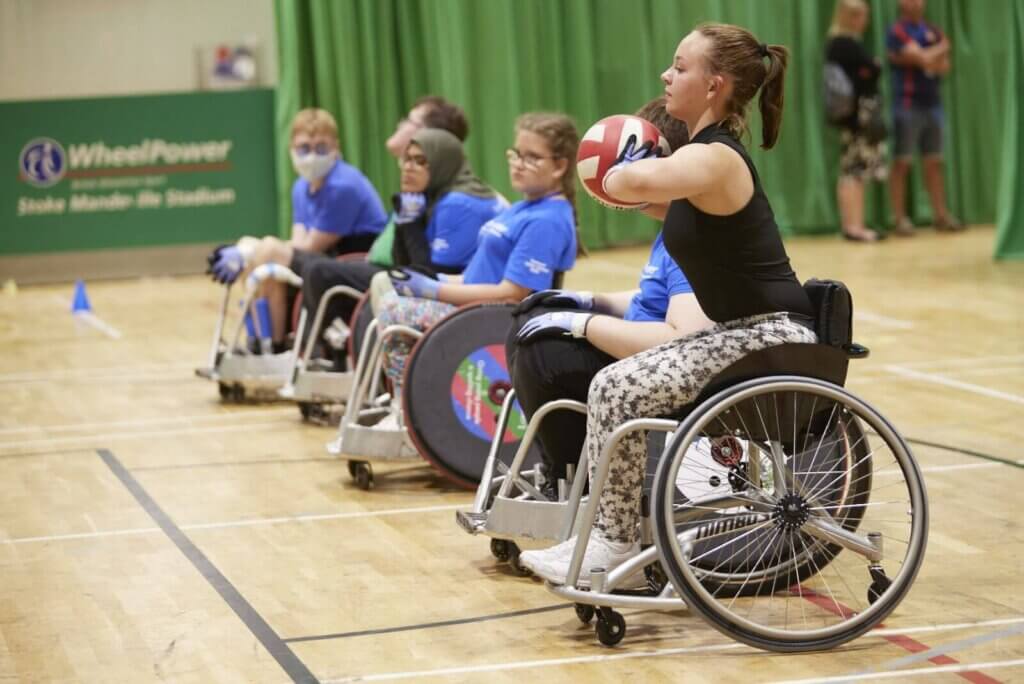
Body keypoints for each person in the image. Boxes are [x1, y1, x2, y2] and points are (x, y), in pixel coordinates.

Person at [519, 24, 818, 586]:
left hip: (770, 336)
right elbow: (640, 196)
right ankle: (612, 535)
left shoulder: (717, 159)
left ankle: (613, 542)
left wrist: (620, 161)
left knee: (616, 385)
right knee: (616, 383)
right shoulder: (699, 166)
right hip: (743, 334)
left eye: (680, 67)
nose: (666, 75)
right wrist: (619, 177)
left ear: (715, 86)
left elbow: (633, 182)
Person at [505, 96, 710, 494]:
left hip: (663, 369)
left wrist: (586, 325)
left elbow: (681, 337)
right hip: (642, 349)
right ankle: (559, 467)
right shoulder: (673, 228)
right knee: (533, 316)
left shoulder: (691, 237)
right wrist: (588, 300)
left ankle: (577, 485)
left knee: (544, 354)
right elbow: (655, 298)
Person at [368, 112, 582, 428]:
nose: (518, 164)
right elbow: (479, 275)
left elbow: (513, 293)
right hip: (475, 308)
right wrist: (432, 279)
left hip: (496, 320)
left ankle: (406, 413)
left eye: (532, 157)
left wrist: (434, 290)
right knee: (386, 283)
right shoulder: (526, 207)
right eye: (517, 154)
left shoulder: (547, 220)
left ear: (560, 166)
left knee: (394, 311)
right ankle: (413, 403)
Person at [299, 128, 505, 365]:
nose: (409, 167)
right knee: (326, 272)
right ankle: (335, 354)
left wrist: (410, 224)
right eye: (407, 160)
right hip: (444, 284)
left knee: (338, 279)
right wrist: (405, 218)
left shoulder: (458, 202)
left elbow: (429, 272)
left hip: (470, 298)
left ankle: (346, 365)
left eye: (421, 161)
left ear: (441, 164)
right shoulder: (432, 196)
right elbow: (403, 261)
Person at [207, 108, 387, 347]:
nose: (312, 156)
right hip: (324, 258)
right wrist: (248, 250)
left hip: (352, 263)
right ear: (292, 148)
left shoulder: (344, 186)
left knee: (267, 250)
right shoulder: (301, 187)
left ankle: (276, 344)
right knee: (257, 254)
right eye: (304, 148)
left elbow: (311, 247)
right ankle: (262, 341)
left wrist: (254, 249)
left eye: (321, 148)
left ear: (336, 148)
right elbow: (299, 243)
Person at [886, 0, 963, 235]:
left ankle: (940, 215)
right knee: (902, 162)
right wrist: (941, 48)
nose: (917, 2)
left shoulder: (934, 30)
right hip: (907, 105)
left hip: (933, 105)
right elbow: (921, 58)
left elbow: (943, 66)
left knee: (934, 162)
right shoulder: (897, 31)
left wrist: (927, 56)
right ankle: (900, 220)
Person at [826, 0, 887, 242]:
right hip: (857, 116)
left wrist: (870, 69)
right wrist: (873, 67)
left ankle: (852, 225)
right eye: (861, 16)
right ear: (851, 17)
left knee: (851, 170)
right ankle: (855, 226)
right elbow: (868, 72)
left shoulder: (838, 44)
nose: (865, 21)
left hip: (851, 116)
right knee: (855, 171)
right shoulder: (845, 44)